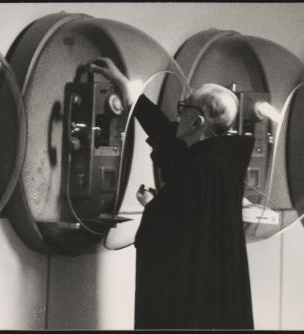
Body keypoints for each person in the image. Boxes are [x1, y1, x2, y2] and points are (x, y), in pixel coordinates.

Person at [89, 57, 255, 330]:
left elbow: (172, 232)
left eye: (183, 109)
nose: (178, 115)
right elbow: (164, 133)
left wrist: (152, 205)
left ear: (197, 121)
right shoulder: (214, 160)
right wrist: (122, 84)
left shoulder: (203, 167)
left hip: (189, 303)